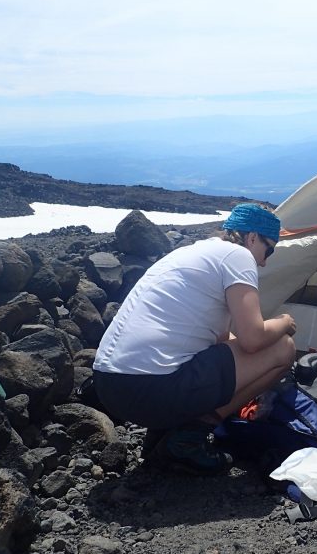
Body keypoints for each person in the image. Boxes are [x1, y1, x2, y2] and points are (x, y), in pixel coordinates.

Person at [92, 203, 296, 474]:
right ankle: (190, 436)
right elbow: (252, 340)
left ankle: (165, 431)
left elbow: (222, 341)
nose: (264, 261)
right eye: (268, 249)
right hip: (151, 388)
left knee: (209, 357)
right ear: (252, 237)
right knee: (283, 348)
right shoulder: (238, 256)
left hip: (109, 384)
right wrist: (283, 323)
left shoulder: (194, 252)